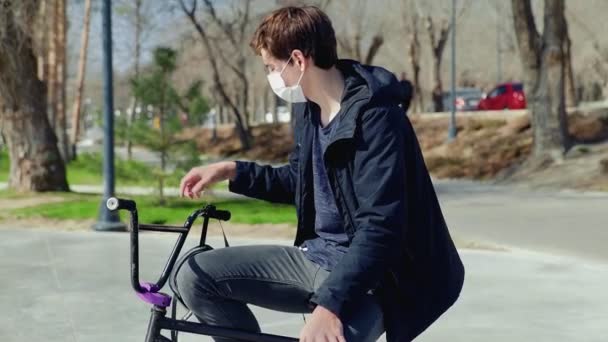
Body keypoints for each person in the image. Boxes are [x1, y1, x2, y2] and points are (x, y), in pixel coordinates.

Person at [176, 6, 464, 342]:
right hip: (317, 258)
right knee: (193, 277)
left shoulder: (377, 118)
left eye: (271, 67)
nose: (272, 78)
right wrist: (232, 170)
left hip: (378, 277)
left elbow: (381, 227)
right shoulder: (308, 108)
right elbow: (300, 183)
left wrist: (329, 308)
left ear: (298, 60)